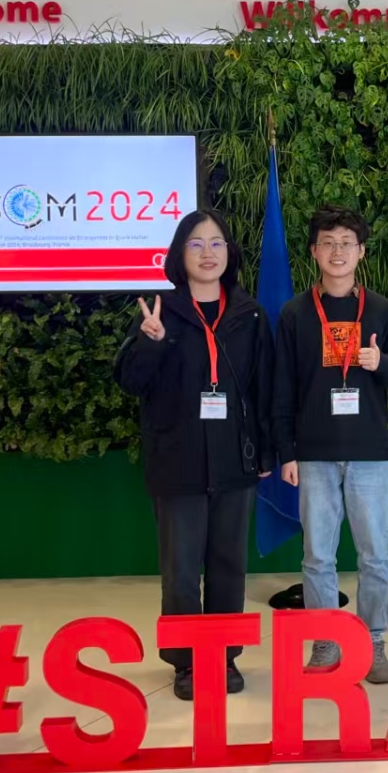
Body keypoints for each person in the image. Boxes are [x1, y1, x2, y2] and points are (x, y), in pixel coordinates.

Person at [114, 208, 275, 702]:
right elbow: (131, 382)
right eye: (197, 244)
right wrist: (151, 343)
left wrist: (266, 451)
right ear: (179, 255)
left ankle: (223, 656)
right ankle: (186, 662)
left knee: (228, 566)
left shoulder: (249, 315)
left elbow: (264, 389)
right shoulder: (160, 312)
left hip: (234, 461)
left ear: (230, 253)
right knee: (181, 570)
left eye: (217, 243)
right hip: (177, 461)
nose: (208, 253)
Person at [272, 205, 388, 683]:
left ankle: (374, 642)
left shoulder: (383, 311)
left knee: (375, 556)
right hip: (314, 454)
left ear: (361, 252)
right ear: (314, 251)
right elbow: (282, 387)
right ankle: (325, 642)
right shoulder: (295, 313)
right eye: (327, 243)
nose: (337, 251)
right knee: (317, 557)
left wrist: (379, 363)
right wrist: (286, 451)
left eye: (347, 243)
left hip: (369, 453)